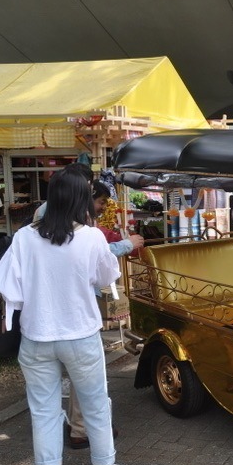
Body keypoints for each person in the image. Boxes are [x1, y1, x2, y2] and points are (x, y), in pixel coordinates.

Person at [0, 166, 124, 465]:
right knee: (95, 404)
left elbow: (9, 287)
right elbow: (107, 275)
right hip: (80, 335)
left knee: (44, 412)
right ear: (82, 200)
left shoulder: (24, 237)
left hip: (36, 337)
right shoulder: (92, 237)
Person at [63, 181, 144, 450]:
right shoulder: (86, 233)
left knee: (53, 389)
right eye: (99, 202)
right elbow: (105, 272)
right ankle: (90, 437)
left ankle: (75, 429)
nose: (101, 207)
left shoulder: (35, 232)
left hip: (44, 327)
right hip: (77, 319)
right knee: (88, 376)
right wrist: (125, 245)